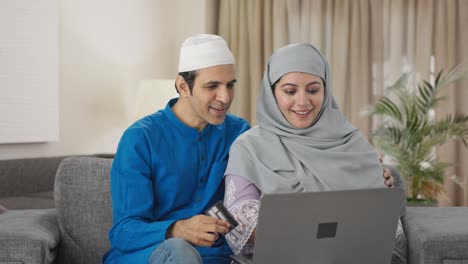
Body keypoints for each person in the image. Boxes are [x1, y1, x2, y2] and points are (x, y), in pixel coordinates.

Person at [223, 43, 407, 263]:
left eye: (313, 90)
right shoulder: (248, 148)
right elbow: (239, 220)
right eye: (290, 91)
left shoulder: (352, 141)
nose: (303, 102)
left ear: (325, 89)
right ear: (272, 92)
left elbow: (384, 221)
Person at [103, 34, 250, 264]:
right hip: (150, 255)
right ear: (183, 86)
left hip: (216, 257)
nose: (224, 97)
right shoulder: (140, 139)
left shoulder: (239, 132)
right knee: (179, 251)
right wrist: (177, 229)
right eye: (212, 86)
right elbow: (123, 231)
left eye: (230, 85)